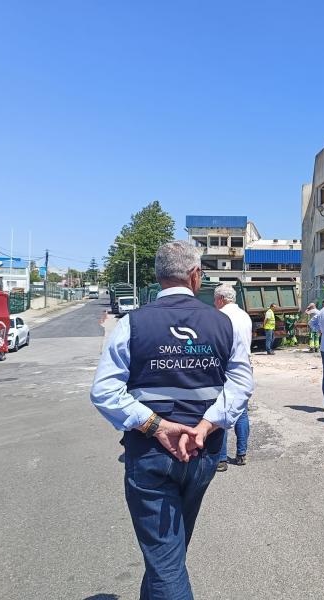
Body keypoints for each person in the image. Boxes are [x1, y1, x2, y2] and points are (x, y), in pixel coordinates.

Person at [90, 240, 254, 600]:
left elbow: (103, 391)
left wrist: (156, 426)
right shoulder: (224, 325)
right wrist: (207, 424)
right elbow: (242, 383)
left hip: (150, 458)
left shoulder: (132, 324)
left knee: (166, 559)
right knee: (169, 556)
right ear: (195, 276)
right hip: (203, 453)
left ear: (158, 276)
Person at [213, 284, 253, 472]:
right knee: (241, 412)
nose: (214, 304)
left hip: (225, 368)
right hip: (245, 368)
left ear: (220, 299)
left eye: (215, 300)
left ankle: (221, 459)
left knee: (222, 411)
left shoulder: (220, 317)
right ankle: (241, 454)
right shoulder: (245, 316)